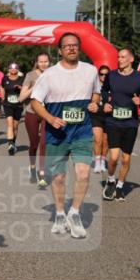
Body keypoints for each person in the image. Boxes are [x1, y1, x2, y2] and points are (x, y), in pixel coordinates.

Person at [30, 33, 101, 239]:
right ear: (60, 50)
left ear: (79, 48)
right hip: (57, 134)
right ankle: (60, 213)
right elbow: (35, 102)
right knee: (58, 177)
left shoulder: (91, 71)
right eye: (66, 46)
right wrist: (50, 119)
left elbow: (96, 92)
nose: (71, 49)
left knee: (83, 173)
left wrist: (94, 103)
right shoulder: (49, 74)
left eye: (75, 45)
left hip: (82, 132)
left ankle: (75, 213)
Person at [101, 48, 140, 201]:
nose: (120, 60)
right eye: (119, 57)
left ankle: (120, 186)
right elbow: (104, 91)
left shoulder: (139, 78)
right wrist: (105, 103)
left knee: (126, 159)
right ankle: (110, 180)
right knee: (114, 157)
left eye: (123, 57)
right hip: (113, 121)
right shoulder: (112, 75)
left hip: (131, 122)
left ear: (131, 59)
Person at [20, 53, 51, 187]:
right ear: (37, 63)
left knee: (44, 143)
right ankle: (32, 167)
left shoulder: (53, 75)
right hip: (32, 112)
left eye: (46, 61)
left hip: (46, 113)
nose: (43, 64)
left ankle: (42, 173)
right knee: (34, 143)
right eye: (41, 62)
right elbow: (21, 98)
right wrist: (35, 85)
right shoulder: (30, 75)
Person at [1, 63, 25, 155]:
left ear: (18, 70)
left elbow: (26, 89)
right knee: (10, 124)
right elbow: (2, 87)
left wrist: (20, 88)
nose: (13, 69)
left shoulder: (22, 79)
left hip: (18, 105)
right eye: (11, 68)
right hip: (7, 104)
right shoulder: (5, 79)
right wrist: (2, 96)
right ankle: (10, 143)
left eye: (15, 68)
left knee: (15, 126)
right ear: (8, 70)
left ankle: (13, 143)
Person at [91, 65, 110, 173]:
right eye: (101, 74)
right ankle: (97, 162)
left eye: (106, 74)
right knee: (98, 140)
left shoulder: (112, 87)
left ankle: (103, 161)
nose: (104, 76)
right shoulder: (94, 87)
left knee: (105, 141)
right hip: (96, 116)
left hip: (108, 117)